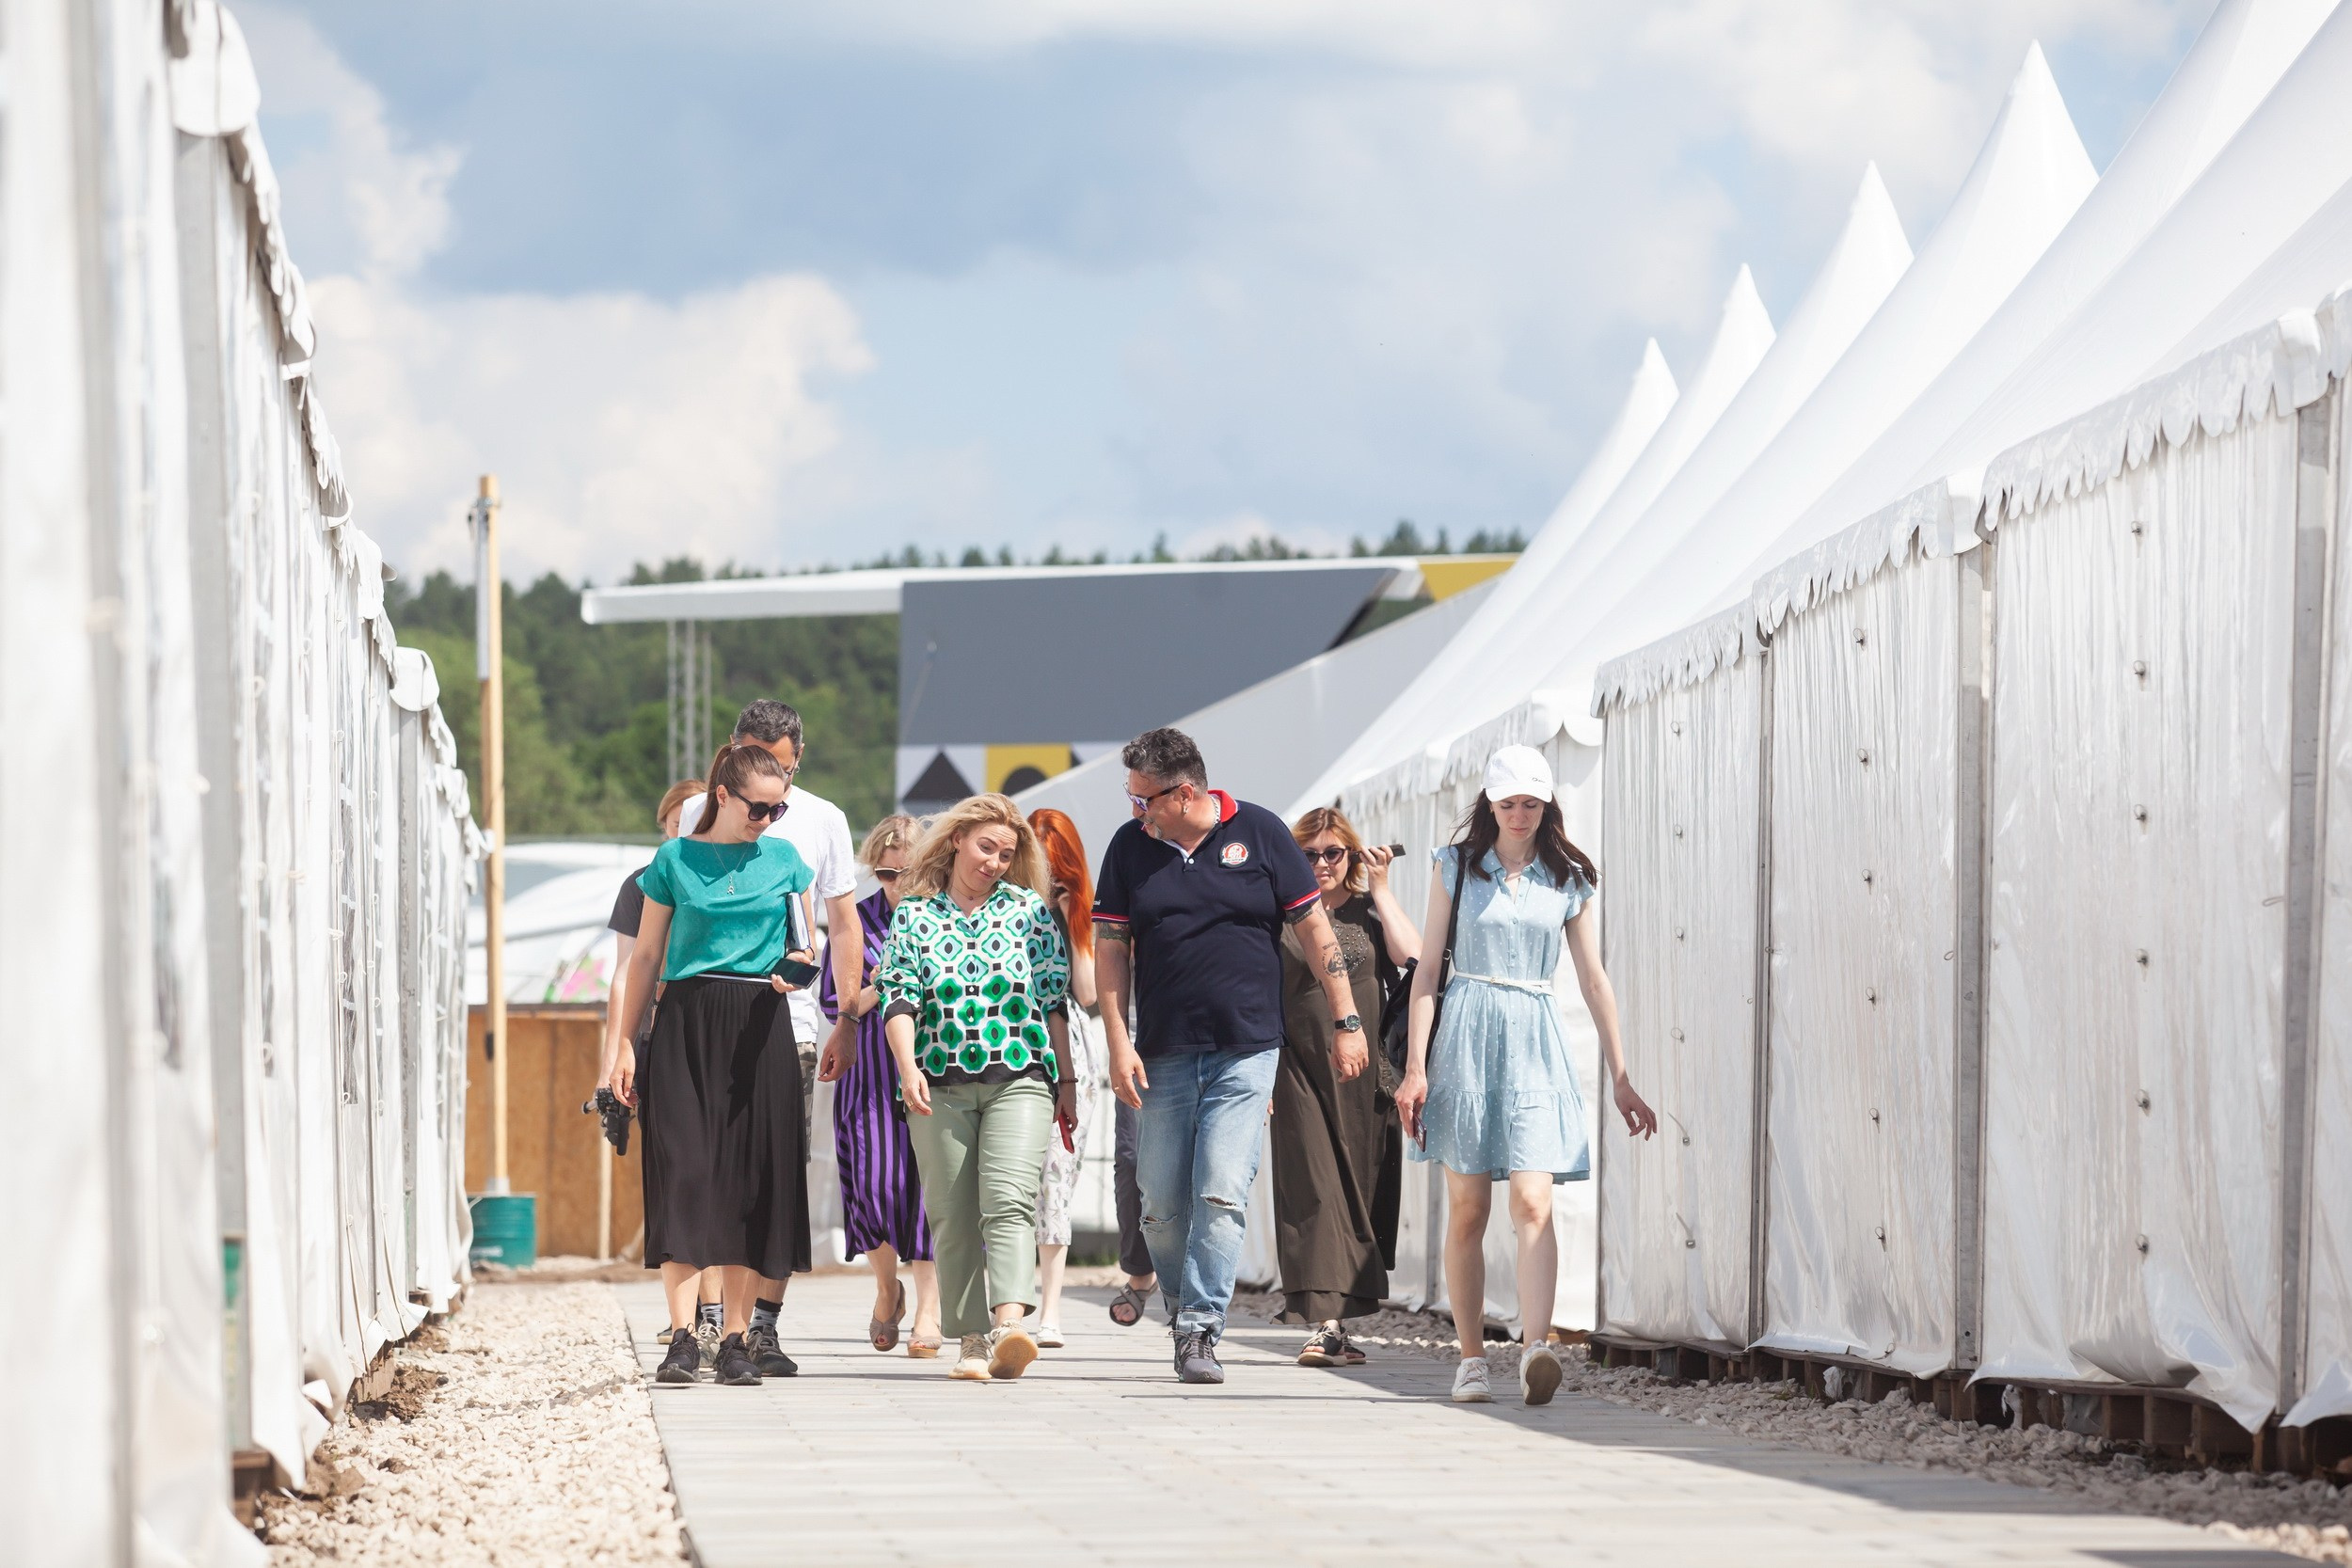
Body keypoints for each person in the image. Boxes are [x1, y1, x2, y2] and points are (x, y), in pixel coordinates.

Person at [1094, 727, 1364, 1386]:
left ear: (1184, 792)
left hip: (1247, 1049)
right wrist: (1117, 1039)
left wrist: (1346, 1017)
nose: (1137, 811)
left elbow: (1315, 929)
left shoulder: (1265, 834)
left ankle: (1198, 1329)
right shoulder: (1130, 848)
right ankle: (1184, 1307)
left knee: (1220, 1189)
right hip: (1160, 1051)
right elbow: (1108, 949)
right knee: (1158, 1200)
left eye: (1144, 800)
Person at [1395, 744, 1659, 1407]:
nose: (1520, 813)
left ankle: (1537, 1346)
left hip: (1536, 1037)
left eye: (1531, 803)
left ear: (1547, 805)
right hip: (1467, 1037)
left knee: (1536, 1201)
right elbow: (1427, 971)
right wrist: (1416, 1068)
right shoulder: (1455, 866)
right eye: (1509, 802)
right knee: (1469, 1208)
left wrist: (1621, 1074)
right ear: (1490, 802)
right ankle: (1473, 1357)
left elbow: (1594, 979)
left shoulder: (1569, 876)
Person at [606, 741, 818, 1388]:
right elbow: (643, 958)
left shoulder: (784, 859)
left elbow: (805, 946)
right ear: (723, 796)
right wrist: (622, 1043)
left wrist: (797, 972)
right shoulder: (673, 860)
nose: (768, 820)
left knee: (749, 1181)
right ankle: (679, 1336)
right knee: (686, 1172)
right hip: (686, 1018)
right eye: (759, 807)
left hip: (760, 1018)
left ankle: (733, 1339)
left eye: (778, 809)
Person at [678, 700, 860, 1348]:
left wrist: (846, 1014)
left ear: (797, 761)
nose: (767, 796)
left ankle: (761, 1326)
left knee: (773, 1176)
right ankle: (703, 1318)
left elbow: (842, 923)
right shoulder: (696, 811)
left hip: (793, 1023)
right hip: (703, 1018)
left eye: (780, 771)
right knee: (701, 1169)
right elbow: (669, 924)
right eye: (752, 762)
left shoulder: (823, 819)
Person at [875, 795, 1076, 1383]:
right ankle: (970, 1340)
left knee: (1008, 1202)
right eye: (985, 847)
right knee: (952, 1215)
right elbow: (899, 996)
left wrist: (1066, 1080)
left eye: (1005, 853)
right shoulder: (914, 915)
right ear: (957, 839)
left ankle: (1011, 1325)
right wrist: (907, 1065)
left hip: (1022, 1078)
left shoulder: (1030, 912)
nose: (993, 861)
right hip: (937, 1083)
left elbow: (1052, 1002)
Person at [1275, 807, 1419, 1366]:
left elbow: (1414, 957)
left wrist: (1381, 888)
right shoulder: (1278, 916)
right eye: (1307, 854)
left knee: (1360, 1192)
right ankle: (1326, 1325)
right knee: (1314, 1189)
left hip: (1366, 1080)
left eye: (1333, 853)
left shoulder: (1366, 911)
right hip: (1299, 1072)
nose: (1320, 864)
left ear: (1351, 856)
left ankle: (1339, 1325)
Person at [602, 779, 729, 1363]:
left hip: (717, 1029)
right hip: (660, 1034)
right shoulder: (645, 882)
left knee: (721, 1174)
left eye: (698, 814)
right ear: (665, 826)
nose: (689, 824)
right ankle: (691, 1313)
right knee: (681, 1171)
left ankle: (712, 1314)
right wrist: (615, 1058)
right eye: (680, 818)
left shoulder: (732, 875)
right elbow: (627, 971)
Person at [815, 815, 942, 1357]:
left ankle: (931, 1309)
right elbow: (832, 1003)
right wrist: (884, 979)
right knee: (876, 1187)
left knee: (932, 1192)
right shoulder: (856, 925)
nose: (897, 884)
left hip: (934, 1072)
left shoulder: (945, 918)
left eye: (907, 873)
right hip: (869, 1075)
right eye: (887, 873)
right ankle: (887, 1287)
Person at [1027, 807, 1107, 1348]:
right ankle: (1004, 1301)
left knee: (1058, 1176)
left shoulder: (1078, 913)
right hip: (1006, 1036)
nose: (1048, 874)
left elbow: (1086, 992)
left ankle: (1050, 1310)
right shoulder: (1001, 906)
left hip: (1069, 1049)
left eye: (1058, 865)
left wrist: (1070, 912)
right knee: (1003, 1181)